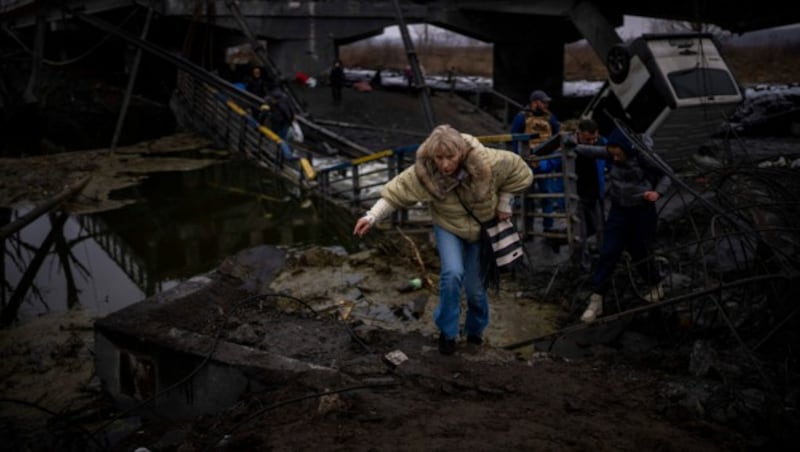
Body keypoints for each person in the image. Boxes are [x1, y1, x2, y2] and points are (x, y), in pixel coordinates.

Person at [353, 125, 533, 355]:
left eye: (450, 157)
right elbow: (397, 192)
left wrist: (505, 201)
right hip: (448, 227)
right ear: (431, 156)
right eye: (439, 158)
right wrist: (371, 216)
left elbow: (521, 171)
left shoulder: (489, 160)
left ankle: (475, 334)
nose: (445, 164)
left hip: (481, 230)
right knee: (452, 275)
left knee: (476, 290)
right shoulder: (425, 170)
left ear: (461, 152)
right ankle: (448, 334)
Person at [573, 127, 672, 323]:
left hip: (642, 211)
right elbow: (589, 151)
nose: (615, 159)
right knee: (608, 252)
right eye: (612, 155)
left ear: (627, 149)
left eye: (618, 155)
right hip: (619, 211)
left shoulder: (644, 156)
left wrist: (657, 193)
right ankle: (596, 300)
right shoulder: (610, 153)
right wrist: (572, 143)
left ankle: (655, 284)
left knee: (640, 252)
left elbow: (667, 174)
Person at [510, 89, 561, 233]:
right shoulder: (522, 117)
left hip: (545, 161)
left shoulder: (550, 118)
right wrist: (517, 160)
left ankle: (548, 226)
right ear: (534, 103)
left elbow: (557, 137)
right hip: (527, 161)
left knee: (548, 194)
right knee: (527, 197)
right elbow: (514, 138)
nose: (546, 105)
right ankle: (527, 229)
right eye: (543, 102)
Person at [563, 118, 608, 271]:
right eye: (588, 139)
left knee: (599, 228)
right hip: (578, 196)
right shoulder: (568, 146)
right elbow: (555, 161)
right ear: (579, 134)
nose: (592, 142)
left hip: (596, 195)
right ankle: (582, 267)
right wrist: (538, 165)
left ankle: (602, 262)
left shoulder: (602, 142)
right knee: (579, 234)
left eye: (594, 138)